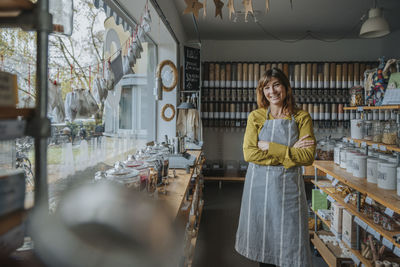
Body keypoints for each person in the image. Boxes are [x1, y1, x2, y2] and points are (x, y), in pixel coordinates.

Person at [235, 68, 316, 267]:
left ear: (286, 87)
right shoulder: (256, 117)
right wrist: (289, 154)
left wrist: (272, 148)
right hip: (260, 191)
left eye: (276, 85)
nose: (272, 91)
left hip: (288, 193)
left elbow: (307, 156)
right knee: (265, 244)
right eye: (266, 87)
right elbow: (249, 154)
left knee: (290, 244)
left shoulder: (302, 118)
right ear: (262, 92)